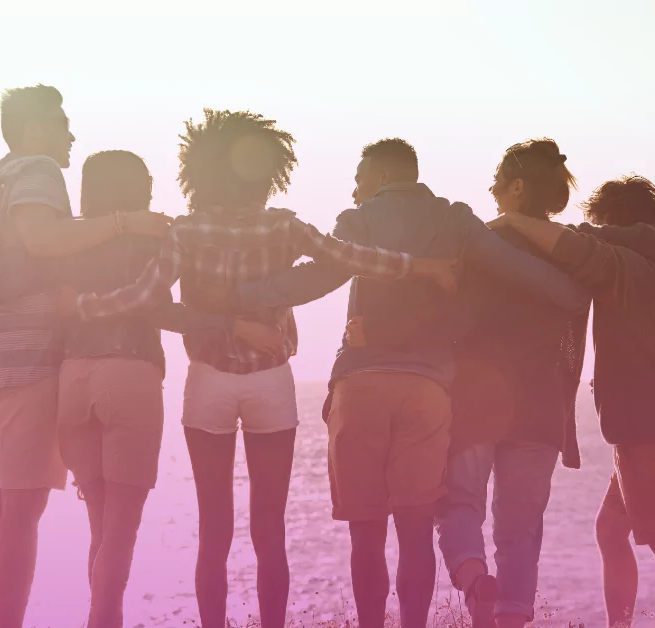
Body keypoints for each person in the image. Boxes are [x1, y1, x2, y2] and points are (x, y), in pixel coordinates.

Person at [62, 110, 457, 628]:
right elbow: (353, 257)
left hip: (208, 383)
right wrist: (422, 266)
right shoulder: (283, 225)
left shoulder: (186, 230)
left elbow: (144, 299)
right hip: (271, 381)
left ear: (197, 171)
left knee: (214, 531)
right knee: (270, 529)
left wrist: (81, 306)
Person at [230, 138, 588, 628]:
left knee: (368, 533)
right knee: (421, 531)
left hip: (363, 381)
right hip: (430, 389)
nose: (355, 188)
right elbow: (532, 276)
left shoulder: (358, 219)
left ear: (380, 176)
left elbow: (315, 279)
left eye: (359, 177)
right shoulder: (458, 221)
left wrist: (241, 297)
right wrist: (567, 289)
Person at [0, 149, 282, 628]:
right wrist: (232, 325)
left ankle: (101, 617)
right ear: (134, 190)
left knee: (100, 526)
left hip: (74, 381)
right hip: (130, 375)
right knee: (120, 531)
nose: (153, 192)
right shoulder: (149, 242)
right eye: (146, 183)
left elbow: (2, 280)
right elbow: (160, 310)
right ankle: (102, 619)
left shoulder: (66, 241)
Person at [0, 85, 169, 628]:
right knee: (22, 515)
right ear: (33, 132)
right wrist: (124, 224)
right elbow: (43, 239)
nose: (70, 135)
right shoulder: (39, 171)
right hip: (25, 357)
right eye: (61, 124)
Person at [490, 174, 655, 627]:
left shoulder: (620, 265)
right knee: (611, 531)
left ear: (612, 223)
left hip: (652, 435)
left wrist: (509, 220)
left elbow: (571, 246)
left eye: (598, 221)